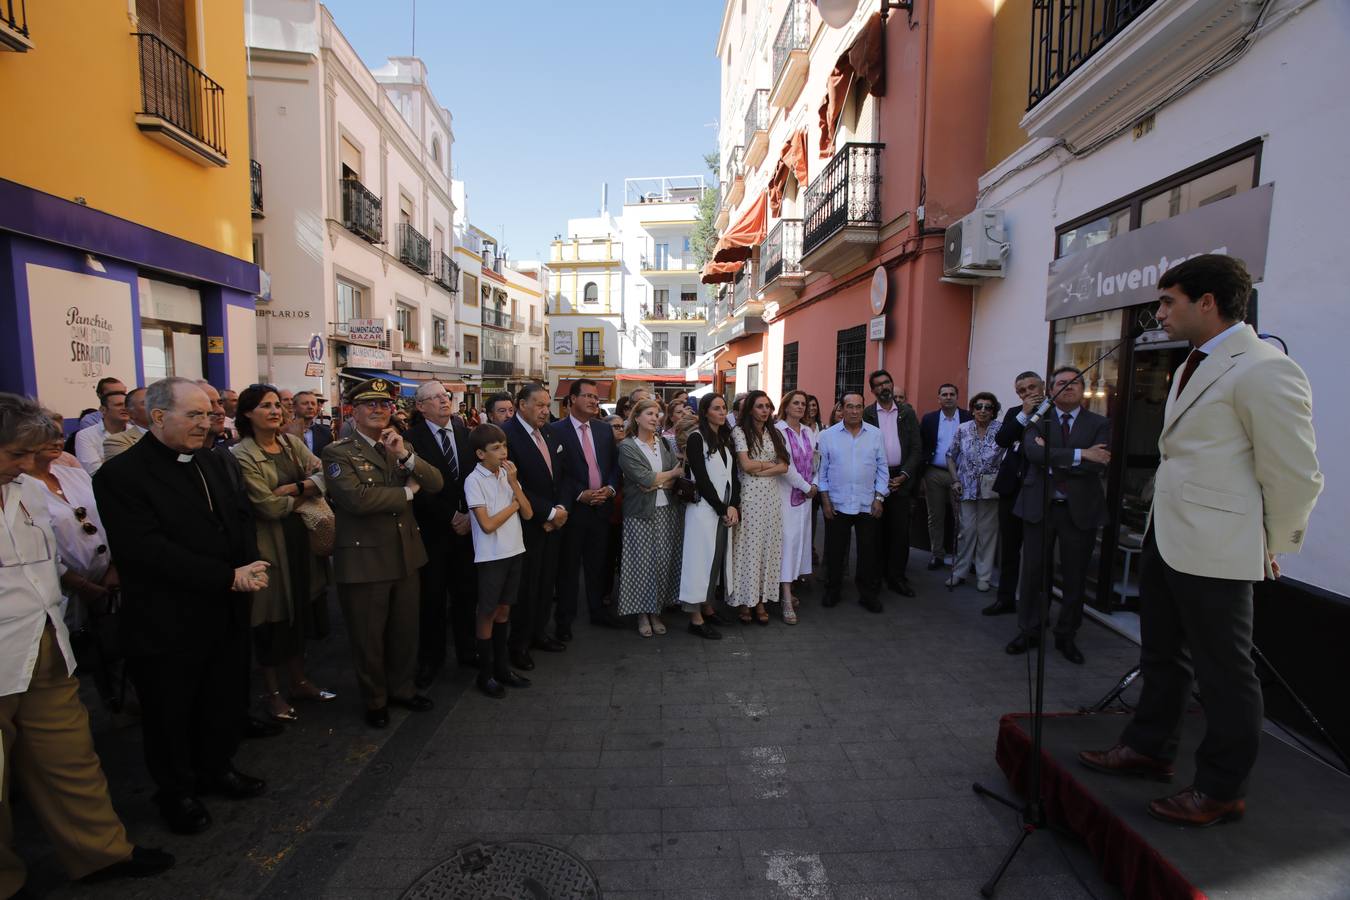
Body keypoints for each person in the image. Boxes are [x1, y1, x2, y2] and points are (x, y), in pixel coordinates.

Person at [1079, 254, 1323, 826]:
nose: (1159, 312)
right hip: (1169, 536)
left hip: (1219, 546)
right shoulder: (1193, 362)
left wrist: (1272, 544)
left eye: (1169, 301)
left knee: (1225, 673)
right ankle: (1149, 749)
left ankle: (1220, 787)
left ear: (1207, 302)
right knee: (1161, 654)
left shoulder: (1264, 367)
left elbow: (1294, 472)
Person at [0, 393, 175, 896]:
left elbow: (51, 559)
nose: (26, 465)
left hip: (47, 645)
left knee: (71, 758)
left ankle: (98, 852)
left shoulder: (28, 491)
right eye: (15, 454)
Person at [94, 378, 270, 835]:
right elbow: (146, 550)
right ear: (157, 418)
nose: (207, 422)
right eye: (194, 415)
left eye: (209, 414)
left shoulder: (214, 460)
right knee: (170, 710)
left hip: (227, 608)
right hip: (167, 619)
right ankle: (176, 792)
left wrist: (248, 562)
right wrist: (226, 576)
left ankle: (217, 767)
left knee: (221, 694)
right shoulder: (121, 477)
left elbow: (239, 516)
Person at [322, 377, 442, 729]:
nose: (378, 410)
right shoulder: (338, 452)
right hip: (365, 561)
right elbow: (355, 499)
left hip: (405, 554)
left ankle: (402, 689)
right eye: (369, 405)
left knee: (405, 632)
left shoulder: (396, 445)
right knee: (368, 636)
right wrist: (406, 494)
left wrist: (404, 454)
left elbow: (434, 483)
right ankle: (375, 699)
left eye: (384, 405)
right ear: (354, 411)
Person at [231, 385, 334, 724]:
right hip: (269, 547)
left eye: (278, 405)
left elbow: (324, 474)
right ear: (247, 413)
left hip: (300, 540)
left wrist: (297, 488)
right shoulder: (241, 454)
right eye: (265, 406)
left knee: (299, 613)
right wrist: (305, 493)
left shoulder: (291, 444)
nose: (275, 411)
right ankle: (272, 691)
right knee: (271, 620)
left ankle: (300, 681)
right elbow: (266, 505)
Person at [1005, 366, 1111, 665]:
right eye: (1061, 383)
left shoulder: (1099, 423)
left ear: (1084, 389)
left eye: (1074, 382)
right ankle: (1030, 629)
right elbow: (1033, 454)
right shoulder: (1040, 418)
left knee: (1075, 576)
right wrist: (1081, 454)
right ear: (1051, 389)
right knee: (1033, 572)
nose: (1068, 387)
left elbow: (1098, 463)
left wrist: (1054, 456)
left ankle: (1067, 635)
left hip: (1079, 510)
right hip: (1040, 506)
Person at [405, 381, 477, 687]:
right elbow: (416, 489)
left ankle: (467, 651)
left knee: (466, 594)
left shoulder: (463, 432)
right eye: (435, 398)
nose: (444, 401)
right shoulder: (412, 440)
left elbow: (474, 478)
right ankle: (430, 659)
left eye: (445, 396)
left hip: (466, 531)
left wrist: (470, 515)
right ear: (421, 407)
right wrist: (451, 516)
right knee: (432, 599)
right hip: (432, 531)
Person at [463, 423, 534, 698]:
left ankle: (503, 668)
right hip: (491, 556)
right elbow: (487, 524)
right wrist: (514, 504)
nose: (503, 452)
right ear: (481, 453)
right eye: (496, 448)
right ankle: (486, 673)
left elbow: (528, 514)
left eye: (504, 446)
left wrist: (514, 484)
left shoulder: (507, 475)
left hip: (515, 549)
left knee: (505, 609)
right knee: (487, 612)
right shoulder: (474, 480)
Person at [502, 383, 569, 670]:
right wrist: (547, 512)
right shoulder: (507, 435)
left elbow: (563, 475)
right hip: (526, 525)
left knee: (545, 583)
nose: (545, 410)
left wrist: (561, 509)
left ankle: (540, 633)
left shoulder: (551, 432)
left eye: (547, 405)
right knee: (525, 588)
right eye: (539, 405)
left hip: (554, 523)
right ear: (521, 405)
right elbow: (514, 485)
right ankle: (518, 645)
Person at [547, 379, 622, 635]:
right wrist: (580, 494)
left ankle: (598, 612)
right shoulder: (555, 431)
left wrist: (609, 489)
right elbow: (558, 473)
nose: (594, 400)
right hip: (573, 511)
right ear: (572, 400)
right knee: (568, 569)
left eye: (596, 397)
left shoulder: (603, 430)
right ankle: (564, 622)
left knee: (598, 565)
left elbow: (613, 465)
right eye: (588, 396)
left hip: (601, 509)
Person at [616, 399, 684, 637]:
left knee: (663, 563)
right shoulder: (627, 446)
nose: (656, 418)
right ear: (636, 418)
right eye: (649, 414)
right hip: (640, 513)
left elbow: (676, 475)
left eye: (658, 414)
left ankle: (656, 611)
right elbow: (644, 478)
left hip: (667, 510)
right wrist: (665, 477)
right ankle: (642, 614)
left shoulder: (663, 442)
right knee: (641, 565)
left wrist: (658, 481)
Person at [816, 392, 888, 613]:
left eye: (859, 407)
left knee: (868, 552)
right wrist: (825, 501)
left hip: (867, 503)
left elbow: (883, 468)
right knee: (835, 551)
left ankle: (867, 594)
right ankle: (832, 590)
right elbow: (822, 472)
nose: (854, 411)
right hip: (837, 503)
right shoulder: (828, 436)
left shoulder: (875, 434)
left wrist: (879, 497)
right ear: (841, 408)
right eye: (850, 406)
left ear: (863, 409)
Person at [679, 395, 738, 639]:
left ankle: (708, 606)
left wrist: (734, 505)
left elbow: (733, 476)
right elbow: (701, 479)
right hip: (704, 509)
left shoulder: (725, 438)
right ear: (705, 412)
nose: (722, 412)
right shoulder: (696, 438)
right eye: (716, 408)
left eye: (724, 408)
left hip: (723, 509)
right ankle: (694, 618)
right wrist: (722, 508)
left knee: (715, 561)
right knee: (699, 563)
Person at [985, 372, 1044, 616]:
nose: (1028, 393)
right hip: (1011, 488)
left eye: (1032, 387)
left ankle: (1035, 608)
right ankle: (1005, 598)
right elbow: (1002, 439)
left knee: (1036, 554)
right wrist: (1024, 413)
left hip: (1038, 490)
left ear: (1043, 386)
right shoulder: (1014, 413)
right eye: (1022, 390)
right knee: (1009, 548)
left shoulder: (1053, 414)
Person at [863, 370, 922, 597]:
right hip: (875, 478)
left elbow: (916, 448)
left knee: (900, 533)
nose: (883, 387)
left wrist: (905, 474)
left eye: (887, 382)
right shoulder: (867, 414)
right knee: (875, 532)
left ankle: (897, 577)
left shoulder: (907, 413)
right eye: (878, 385)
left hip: (901, 479)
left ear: (892, 383)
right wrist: (881, 478)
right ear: (873, 391)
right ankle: (875, 578)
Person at [732, 391, 788, 625]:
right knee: (748, 550)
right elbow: (745, 466)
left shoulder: (774, 432)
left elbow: (784, 466)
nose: (765, 410)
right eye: (759, 406)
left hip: (772, 499)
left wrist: (759, 468)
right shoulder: (739, 432)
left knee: (767, 549)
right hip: (750, 498)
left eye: (768, 406)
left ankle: (762, 600)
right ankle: (746, 601)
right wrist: (768, 465)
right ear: (750, 409)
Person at [945, 392, 1004, 591]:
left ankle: (984, 576)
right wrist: (955, 480)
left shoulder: (1001, 430)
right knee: (966, 531)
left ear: (994, 411)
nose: (983, 411)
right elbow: (950, 456)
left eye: (988, 407)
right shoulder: (963, 429)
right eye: (978, 406)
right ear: (972, 409)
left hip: (991, 489)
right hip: (966, 488)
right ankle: (960, 571)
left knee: (987, 533)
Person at [919, 384, 972, 569]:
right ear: (938, 398)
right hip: (934, 472)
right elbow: (923, 446)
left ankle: (963, 558)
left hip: (960, 474)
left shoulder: (968, 417)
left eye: (952, 394)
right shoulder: (929, 419)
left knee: (963, 517)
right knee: (935, 516)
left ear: (957, 397)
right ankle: (937, 554)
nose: (948, 397)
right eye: (944, 394)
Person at [775, 390, 816, 615]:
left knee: (799, 542)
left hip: (805, 499)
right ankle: (786, 598)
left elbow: (817, 461)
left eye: (804, 403)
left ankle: (787, 590)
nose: (801, 407)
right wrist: (806, 486)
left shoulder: (809, 431)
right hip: (786, 495)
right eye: (796, 403)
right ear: (786, 406)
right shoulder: (779, 431)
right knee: (787, 543)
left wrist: (815, 484)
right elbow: (784, 466)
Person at [75, 385, 135, 475]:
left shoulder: (136, 432)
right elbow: (94, 471)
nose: (124, 408)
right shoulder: (85, 436)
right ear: (103, 410)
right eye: (118, 405)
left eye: (126, 405)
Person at [103, 387, 150, 462]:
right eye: (147, 403)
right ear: (130, 413)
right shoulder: (117, 441)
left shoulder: (173, 435)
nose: (156, 406)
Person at [289, 390, 333, 456]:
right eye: (305, 403)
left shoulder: (325, 433)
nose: (310, 407)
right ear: (294, 407)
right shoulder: (285, 432)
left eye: (313, 404)